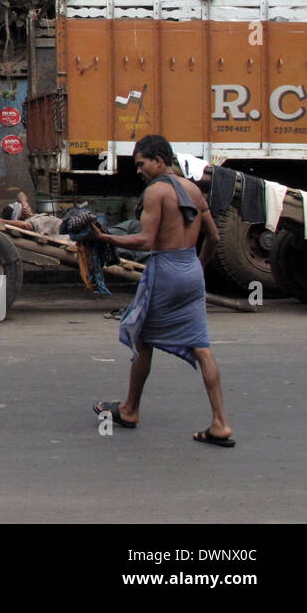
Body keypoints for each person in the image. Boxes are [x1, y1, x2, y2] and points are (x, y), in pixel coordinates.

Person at [89, 134, 234, 448]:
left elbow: (144, 241)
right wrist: (199, 265)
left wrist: (105, 240)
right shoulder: (194, 189)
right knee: (201, 347)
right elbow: (214, 237)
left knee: (142, 339)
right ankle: (220, 423)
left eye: (141, 164)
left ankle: (129, 410)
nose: (139, 170)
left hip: (165, 269)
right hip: (190, 271)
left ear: (158, 159)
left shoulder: (156, 192)